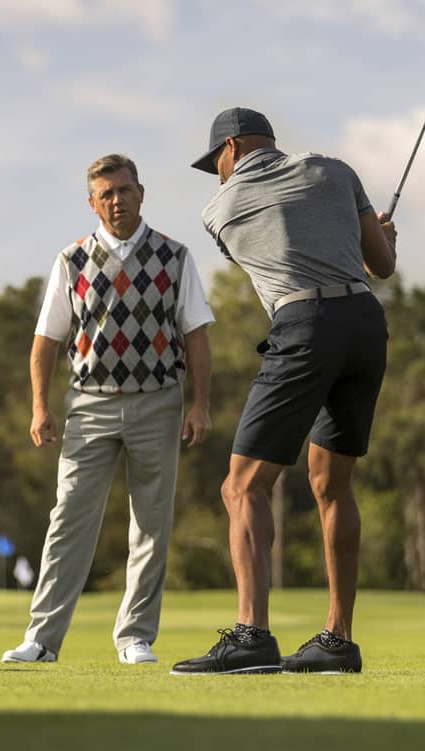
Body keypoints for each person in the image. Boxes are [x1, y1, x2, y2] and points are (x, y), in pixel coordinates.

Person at [170, 108, 397, 676]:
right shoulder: (336, 171)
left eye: (216, 163)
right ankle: (338, 641)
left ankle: (252, 636)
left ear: (232, 147)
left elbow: (280, 249)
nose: (217, 176)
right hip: (366, 324)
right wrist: (379, 234)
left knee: (242, 486)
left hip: (306, 324)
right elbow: (383, 265)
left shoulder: (218, 210)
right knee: (331, 484)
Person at [3, 154, 215, 665]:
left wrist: (201, 405)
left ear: (141, 193)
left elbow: (197, 336)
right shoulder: (71, 260)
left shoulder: (174, 256)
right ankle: (43, 639)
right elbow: (45, 342)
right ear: (92, 203)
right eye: (107, 194)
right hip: (90, 404)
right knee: (68, 519)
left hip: (158, 402)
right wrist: (38, 406)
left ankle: (135, 636)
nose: (117, 200)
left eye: (125, 190)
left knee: (151, 523)